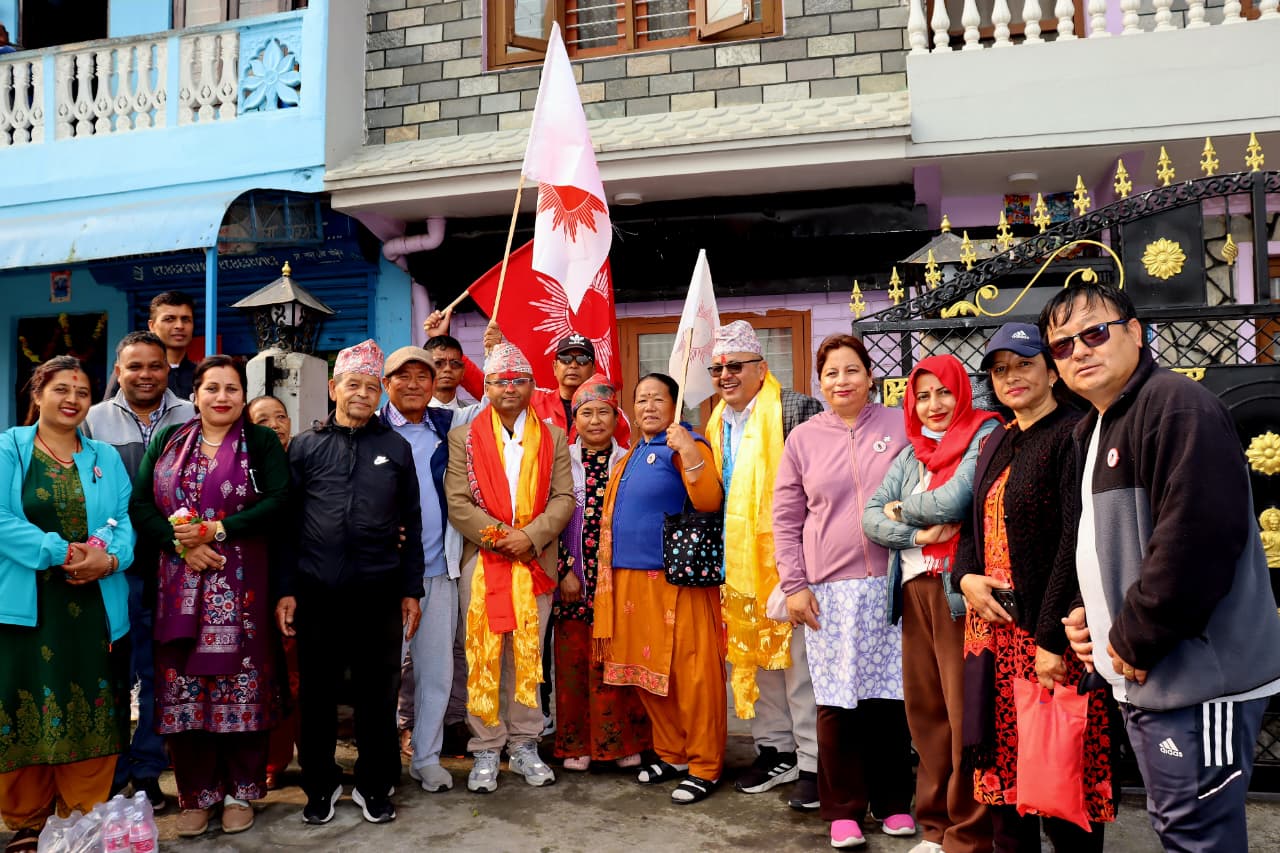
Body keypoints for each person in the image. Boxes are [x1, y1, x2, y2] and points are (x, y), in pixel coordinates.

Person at [1043, 282, 1280, 851]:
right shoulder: (1097, 426)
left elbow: (1197, 539)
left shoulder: (1176, 403)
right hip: (1153, 679)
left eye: (1095, 333)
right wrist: (1089, 616)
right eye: (1062, 345)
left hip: (1199, 679)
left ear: (1135, 332)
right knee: (1179, 829)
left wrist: (1132, 637)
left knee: (1199, 835)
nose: (1080, 351)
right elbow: (1113, 542)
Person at [952, 323, 1113, 852]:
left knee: (1063, 783)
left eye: (1023, 363)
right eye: (1000, 369)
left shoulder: (1073, 434)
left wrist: (1049, 641)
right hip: (994, 641)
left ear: (1051, 368)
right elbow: (973, 520)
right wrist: (966, 577)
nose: (1012, 377)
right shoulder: (999, 436)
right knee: (1003, 788)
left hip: (1049, 638)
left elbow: (1075, 539)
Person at [129, 355, 289, 837]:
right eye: (212, 388)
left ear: (243, 396)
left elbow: (280, 501)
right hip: (179, 588)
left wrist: (219, 529)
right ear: (194, 395)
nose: (223, 397)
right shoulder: (168, 439)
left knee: (239, 691)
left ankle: (241, 790)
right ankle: (196, 794)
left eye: (232, 389)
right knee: (185, 695)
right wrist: (180, 543)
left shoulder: (260, 442)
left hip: (242, 593)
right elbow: (139, 504)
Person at [772, 335, 916, 849]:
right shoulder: (804, 439)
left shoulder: (901, 425)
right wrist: (794, 585)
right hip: (829, 592)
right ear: (820, 382)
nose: (842, 381)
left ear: (870, 376)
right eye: (831, 373)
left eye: (852, 370)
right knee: (837, 702)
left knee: (890, 698)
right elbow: (786, 518)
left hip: (894, 582)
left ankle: (895, 803)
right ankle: (843, 810)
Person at [276, 339, 425, 825]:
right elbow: (288, 525)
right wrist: (287, 588)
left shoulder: (395, 448)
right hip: (318, 593)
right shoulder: (306, 445)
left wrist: (411, 589)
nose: (362, 393)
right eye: (353, 384)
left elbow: (413, 521)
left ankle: (374, 784)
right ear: (334, 388)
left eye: (371, 386)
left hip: (378, 593)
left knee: (377, 696)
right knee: (316, 696)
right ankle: (319, 786)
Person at [863, 354, 999, 853]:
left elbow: (957, 500)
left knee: (965, 715)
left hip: (955, 593)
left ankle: (969, 832)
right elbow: (870, 518)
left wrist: (903, 509)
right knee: (925, 714)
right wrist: (919, 531)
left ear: (962, 392)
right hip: (913, 589)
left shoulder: (984, 435)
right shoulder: (912, 453)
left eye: (944, 392)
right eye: (923, 396)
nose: (934, 405)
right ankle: (936, 827)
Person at [0, 357, 134, 853]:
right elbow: (0, 517)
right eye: (61, 388)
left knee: (93, 705)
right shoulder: (9, 448)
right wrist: (63, 552)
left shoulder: (104, 455)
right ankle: (28, 821)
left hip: (92, 604)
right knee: (22, 705)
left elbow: (123, 519)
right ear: (38, 395)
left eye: (82, 390)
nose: (73, 399)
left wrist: (110, 559)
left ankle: (82, 819)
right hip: (25, 607)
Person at [702, 320, 823, 807]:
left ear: (761, 368)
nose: (725, 375)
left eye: (735, 366)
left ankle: (814, 763)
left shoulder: (794, 408)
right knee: (754, 660)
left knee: (800, 668)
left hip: (790, 559)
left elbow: (817, 490)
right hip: (741, 566)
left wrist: (803, 564)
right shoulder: (715, 422)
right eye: (717, 368)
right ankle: (775, 750)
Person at [444, 342, 574, 793]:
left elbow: (563, 498)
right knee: (482, 655)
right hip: (482, 563)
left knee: (527, 658)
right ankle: (485, 748)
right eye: (500, 381)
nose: (510, 388)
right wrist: (504, 538)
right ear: (488, 387)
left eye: (519, 380)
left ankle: (524, 744)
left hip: (535, 563)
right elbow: (458, 504)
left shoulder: (554, 436)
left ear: (532, 386)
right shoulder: (463, 437)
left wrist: (531, 537)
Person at [595, 373, 725, 805]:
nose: (648, 407)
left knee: (693, 675)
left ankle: (705, 764)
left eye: (657, 399)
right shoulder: (633, 453)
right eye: (641, 399)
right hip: (629, 580)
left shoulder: (687, 444)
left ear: (676, 405)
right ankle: (674, 754)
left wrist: (688, 450)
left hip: (677, 581)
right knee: (649, 677)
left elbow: (707, 500)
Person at [83, 331, 193, 809]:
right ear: (118, 369)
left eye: (154, 366)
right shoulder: (91, 420)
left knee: (159, 674)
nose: (145, 375)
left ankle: (147, 770)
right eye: (135, 367)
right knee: (109, 672)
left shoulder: (190, 413)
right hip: (112, 571)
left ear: (167, 367)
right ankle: (109, 769)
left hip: (174, 567)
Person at [552, 375, 650, 772]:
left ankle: (622, 741)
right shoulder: (560, 462)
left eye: (603, 413)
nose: (595, 421)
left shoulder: (629, 460)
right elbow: (548, 518)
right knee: (574, 663)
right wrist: (563, 571)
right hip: (574, 582)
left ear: (616, 417)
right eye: (586, 413)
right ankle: (577, 743)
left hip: (620, 582)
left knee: (618, 662)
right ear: (574, 420)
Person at [377, 347, 458, 794]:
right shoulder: (370, 431)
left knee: (436, 671)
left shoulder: (449, 428)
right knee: (384, 669)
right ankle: (383, 758)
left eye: (421, 377)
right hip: (385, 575)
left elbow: (497, 401)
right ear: (386, 383)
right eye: (401, 376)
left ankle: (426, 757)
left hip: (437, 570)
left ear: (434, 385)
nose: (412, 384)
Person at [425, 308, 630, 445]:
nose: (574, 365)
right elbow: (491, 391)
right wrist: (442, 341)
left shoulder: (611, 413)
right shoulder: (533, 399)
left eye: (583, 360)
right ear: (554, 367)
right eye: (566, 358)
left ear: (593, 369)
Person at [246, 395, 300, 791]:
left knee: (296, 678)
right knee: (260, 678)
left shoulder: (305, 461)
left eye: (280, 417)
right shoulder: (245, 469)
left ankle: (301, 755)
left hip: (303, 584)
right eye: (263, 419)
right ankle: (268, 760)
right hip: (252, 585)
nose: (275, 424)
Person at [105, 292, 198, 401]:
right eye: (169, 319)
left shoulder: (200, 375)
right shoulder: (132, 371)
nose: (179, 326)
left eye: (185, 319)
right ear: (152, 326)